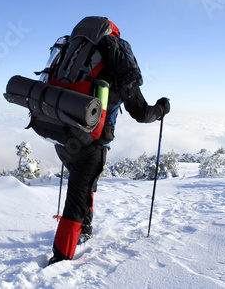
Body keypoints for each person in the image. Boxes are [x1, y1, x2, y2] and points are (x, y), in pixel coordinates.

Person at [48, 16, 170, 265]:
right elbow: (140, 112)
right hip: (91, 140)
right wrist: (160, 109)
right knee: (78, 193)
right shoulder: (115, 55)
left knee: (83, 183)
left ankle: (85, 229)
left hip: (60, 132)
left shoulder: (71, 50)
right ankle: (61, 258)